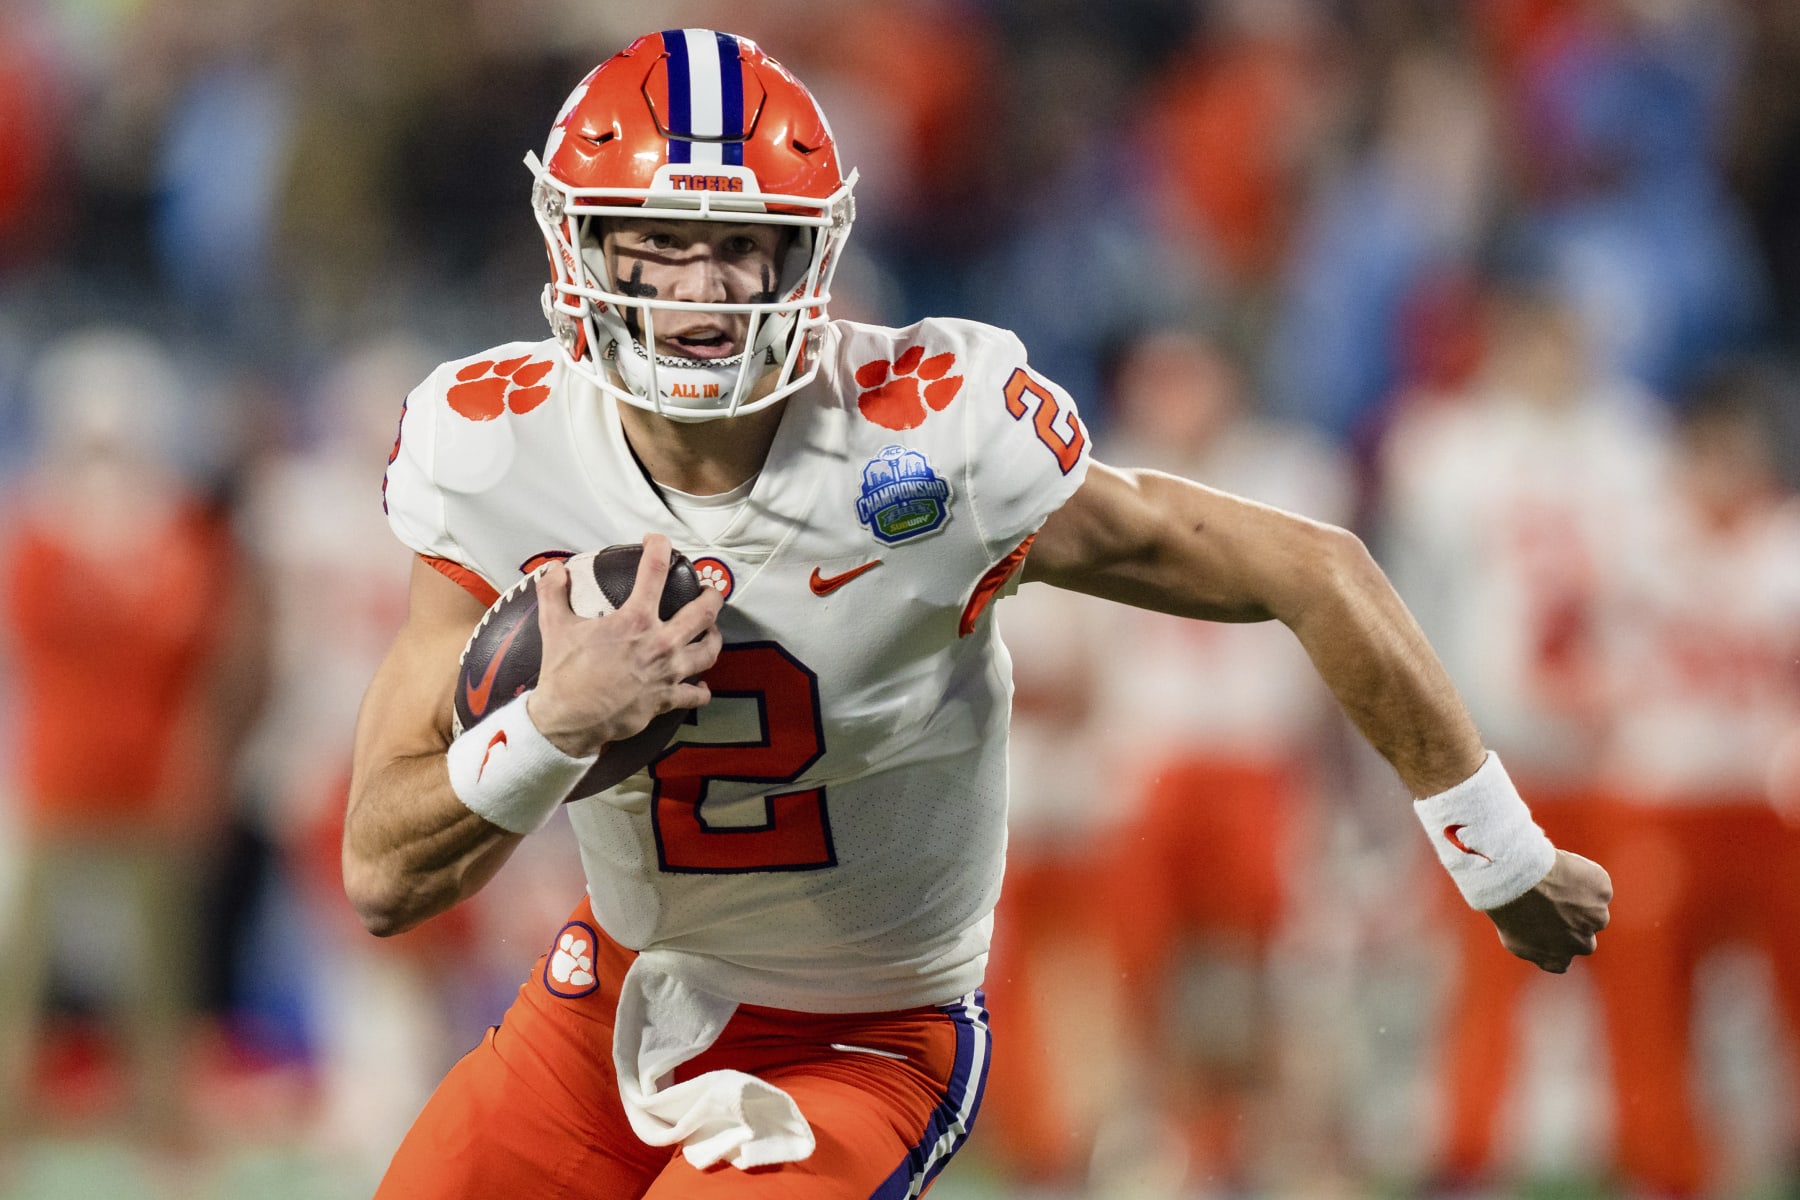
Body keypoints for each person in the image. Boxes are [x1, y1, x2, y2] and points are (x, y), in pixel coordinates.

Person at [346, 29, 1612, 1199]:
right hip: (616, 987)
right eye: (660, 241)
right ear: (583, 245)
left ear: (811, 257)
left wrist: (1498, 851)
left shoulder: (928, 444)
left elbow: (1311, 567)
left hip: (867, 1034)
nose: (703, 289)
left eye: (742, 246)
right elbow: (383, 874)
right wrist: (554, 726)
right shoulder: (500, 448)